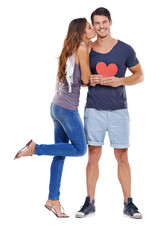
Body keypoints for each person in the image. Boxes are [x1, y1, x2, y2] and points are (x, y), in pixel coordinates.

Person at [14, 18, 96, 218]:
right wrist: (90, 53)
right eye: (90, 27)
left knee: (60, 155)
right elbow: (86, 80)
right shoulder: (82, 50)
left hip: (56, 106)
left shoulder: (69, 48)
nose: (93, 29)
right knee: (80, 149)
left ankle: (53, 200)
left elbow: (77, 80)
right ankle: (35, 149)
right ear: (82, 33)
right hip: (67, 109)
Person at [76, 7, 144, 219]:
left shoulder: (125, 49)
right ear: (93, 26)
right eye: (96, 23)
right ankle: (90, 202)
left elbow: (140, 75)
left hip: (119, 111)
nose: (101, 26)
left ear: (111, 22)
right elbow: (82, 80)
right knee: (93, 155)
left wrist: (121, 81)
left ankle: (128, 203)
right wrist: (91, 80)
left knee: (122, 155)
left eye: (104, 22)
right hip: (93, 109)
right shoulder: (87, 49)